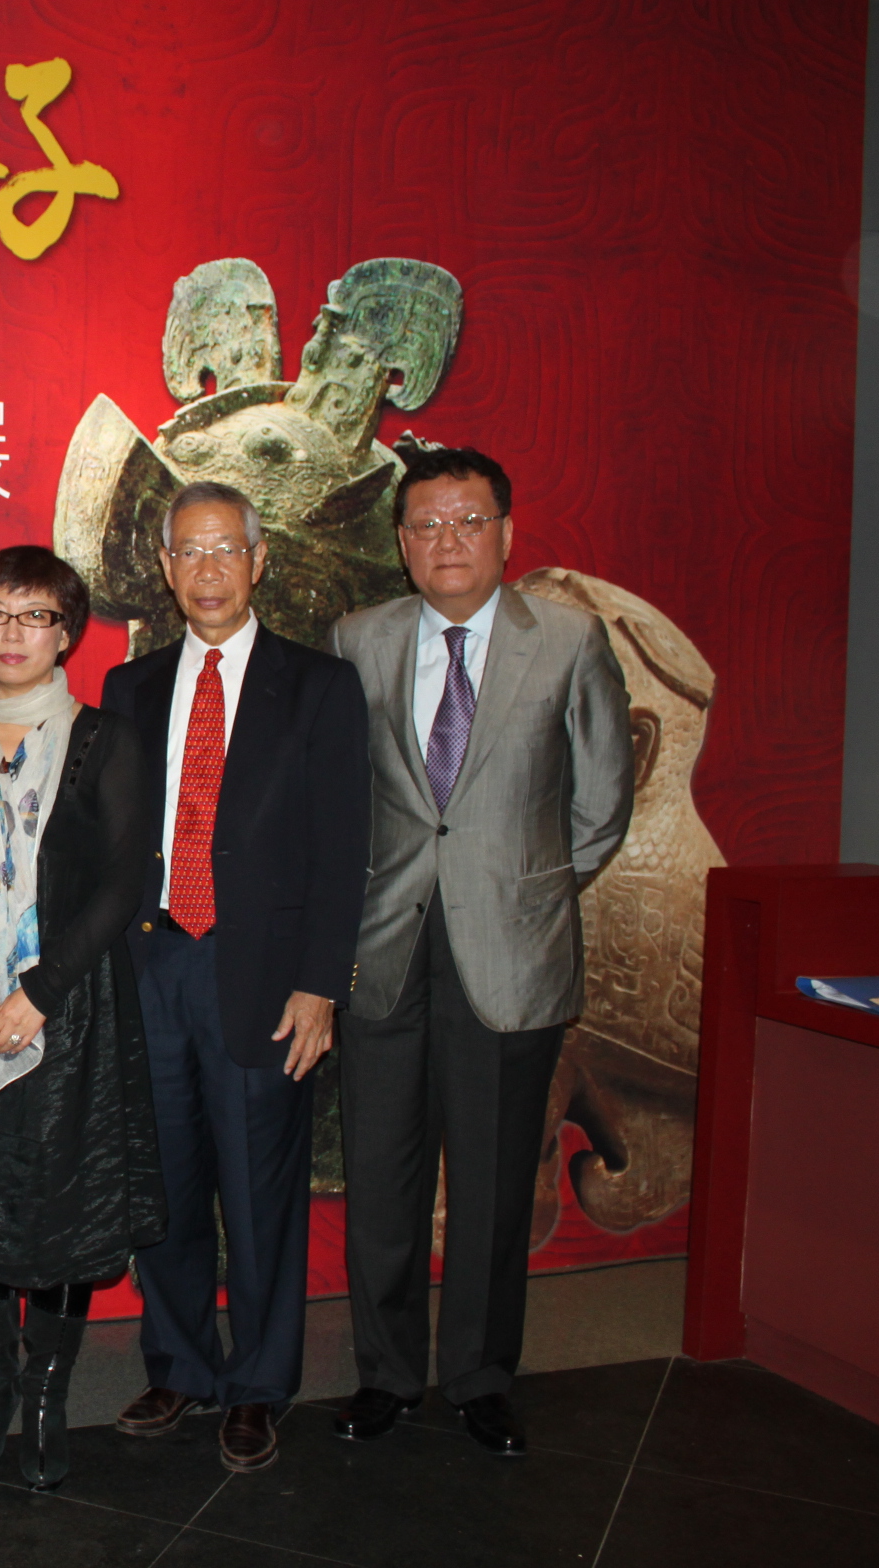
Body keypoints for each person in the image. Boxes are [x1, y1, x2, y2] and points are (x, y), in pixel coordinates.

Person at [326, 442, 632, 1456]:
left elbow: (601, 804)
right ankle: (385, 1373)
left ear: (506, 532)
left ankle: (481, 1375)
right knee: (382, 1180)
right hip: (385, 948)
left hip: (511, 952)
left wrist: (521, 890)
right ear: (401, 542)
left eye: (468, 521)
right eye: (426, 525)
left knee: (497, 1185)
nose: (447, 540)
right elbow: (344, 796)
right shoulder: (359, 638)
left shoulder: (569, 640)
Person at [100, 482, 370, 1474]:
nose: (208, 570)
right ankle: (179, 1363)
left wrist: (321, 984)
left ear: (259, 562)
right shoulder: (130, 687)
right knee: (166, 1184)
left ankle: (257, 1383)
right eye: (189, 551)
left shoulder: (319, 686)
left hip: (264, 977)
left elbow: (344, 847)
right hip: (154, 963)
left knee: (260, 1195)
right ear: (165, 567)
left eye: (227, 550)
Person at [0, 546, 163, 1493]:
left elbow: (120, 882)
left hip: (68, 1007)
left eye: (35, 616)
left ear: (67, 634)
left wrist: (39, 994)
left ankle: (48, 1397)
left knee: (62, 1202)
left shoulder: (106, 739)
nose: (12, 634)